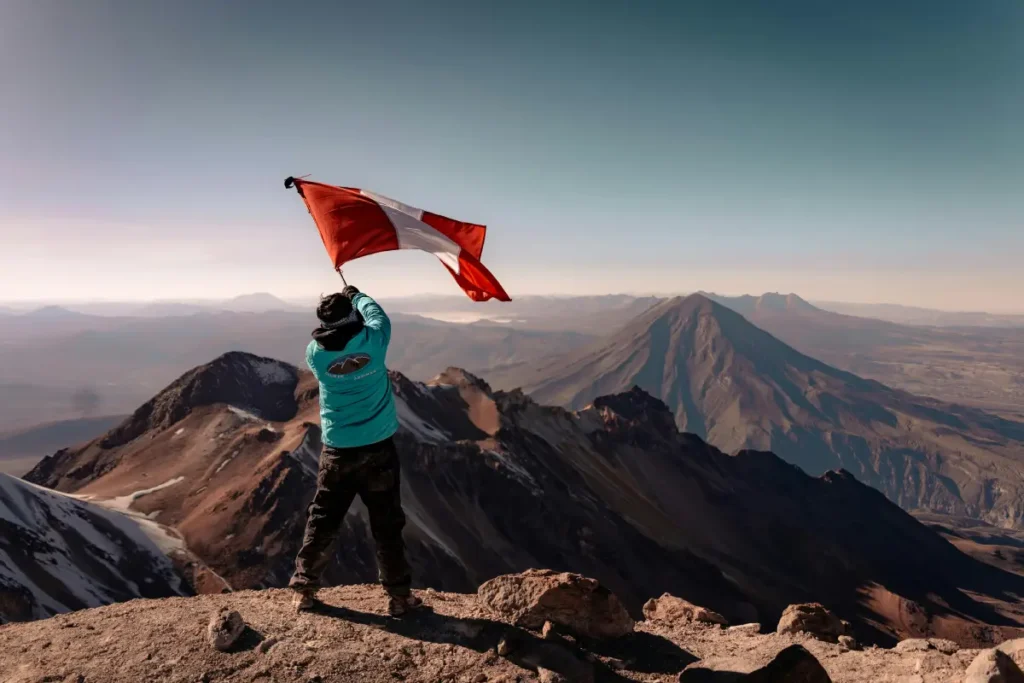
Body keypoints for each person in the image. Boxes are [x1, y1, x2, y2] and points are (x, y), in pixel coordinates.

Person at [289, 283, 422, 617]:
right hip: (378, 450)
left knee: (323, 518)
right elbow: (376, 314)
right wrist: (356, 295)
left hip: (337, 452)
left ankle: (304, 588)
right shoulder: (374, 342)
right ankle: (399, 597)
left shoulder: (315, 354)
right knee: (387, 523)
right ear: (352, 318)